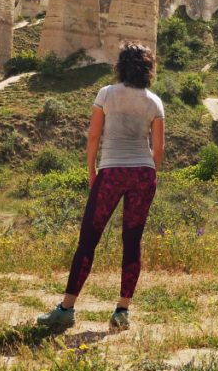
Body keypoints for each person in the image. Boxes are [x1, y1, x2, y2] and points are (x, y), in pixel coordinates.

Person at [37, 42, 165, 333]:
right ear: (148, 69)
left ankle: (66, 308)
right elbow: (159, 149)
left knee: (88, 240)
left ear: (121, 65)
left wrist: (93, 171)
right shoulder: (154, 102)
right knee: (132, 242)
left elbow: (93, 137)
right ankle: (122, 311)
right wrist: (149, 173)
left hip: (112, 171)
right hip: (142, 174)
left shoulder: (106, 94)